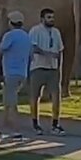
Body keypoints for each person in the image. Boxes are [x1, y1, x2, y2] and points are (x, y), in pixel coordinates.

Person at [0, 11, 32, 139]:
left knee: (12, 104)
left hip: (11, 73)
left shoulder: (10, 36)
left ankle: (17, 131)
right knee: (7, 102)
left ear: (11, 23)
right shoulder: (26, 36)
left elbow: (0, 51)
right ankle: (0, 127)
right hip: (22, 73)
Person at [28, 8, 66, 136]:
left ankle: (55, 124)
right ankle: (35, 123)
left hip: (53, 69)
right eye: (49, 17)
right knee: (35, 96)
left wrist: (59, 67)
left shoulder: (56, 32)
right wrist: (47, 54)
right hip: (38, 67)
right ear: (42, 19)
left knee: (56, 96)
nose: (51, 20)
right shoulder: (35, 31)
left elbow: (60, 50)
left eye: (52, 17)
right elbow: (33, 47)